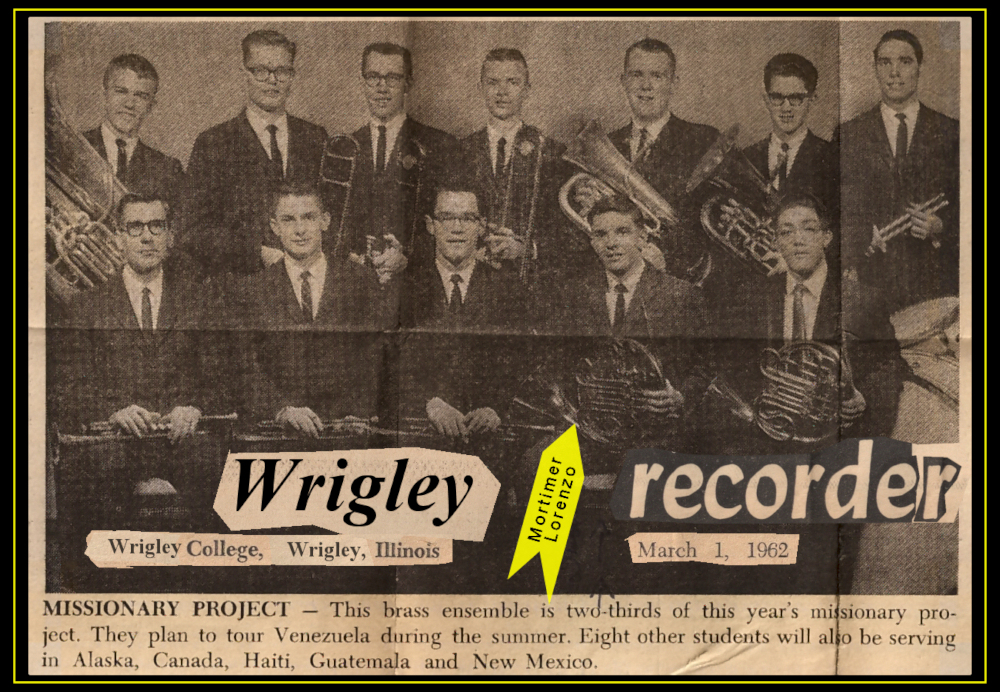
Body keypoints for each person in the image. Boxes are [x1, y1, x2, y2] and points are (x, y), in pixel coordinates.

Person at [237, 182, 390, 440]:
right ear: (274, 227)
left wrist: (358, 410)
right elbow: (246, 366)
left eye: (308, 217)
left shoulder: (360, 280)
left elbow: (376, 355)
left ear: (325, 221)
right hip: (281, 435)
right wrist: (281, 410)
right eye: (288, 220)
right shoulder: (254, 289)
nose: (299, 230)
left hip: (349, 432)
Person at [182, 30, 328, 277]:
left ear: (292, 76)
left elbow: (331, 216)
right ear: (244, 74)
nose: (272, 81)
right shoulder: (213, 143)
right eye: (260, 71)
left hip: (308, 285)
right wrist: (256, 253)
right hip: (240, 291)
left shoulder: (316, 138)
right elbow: (192, 232)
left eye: (282, 71)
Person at [838, 29, 959, 313]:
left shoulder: (952, 131)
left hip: (936, 281)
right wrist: (860, 237)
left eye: (905, 61)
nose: (894, 72)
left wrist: (939, 226)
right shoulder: (849, 135)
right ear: (875, 69)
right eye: (885, 62)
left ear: (920, 67)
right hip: (871, 284)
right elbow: (836, 210)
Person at [398, 185, 526, 440]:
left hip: (490, 438)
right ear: (430, 225)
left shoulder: (510, 291)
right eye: (446, 217)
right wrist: (430, 403)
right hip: (420, 433)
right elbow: (386, 365)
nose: (457, 228)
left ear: (481, 227)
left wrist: (496, 408)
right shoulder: (402, 288)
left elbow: (522, 364)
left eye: (467, 218)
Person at [338, 42, 460, 284]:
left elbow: (454, 224)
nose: (382, 88)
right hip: (355, 284)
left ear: (408, 83)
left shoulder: (440, 144)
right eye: (373, 77)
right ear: (362, 82)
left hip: (418, 283)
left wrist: (409, 259)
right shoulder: (344, 147)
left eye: (393, 78)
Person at [459, 48, 584, 279]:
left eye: (513, 82)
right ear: (480, 88)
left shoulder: (553, 153)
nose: (502, 92)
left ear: (527, 90)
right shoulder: (460, 150)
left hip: (531, 285)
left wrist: (527, 249)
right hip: (471, 281)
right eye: (492, 82)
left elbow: (573, 236)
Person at [604, 38, 720, 283]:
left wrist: (668, 260)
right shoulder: (607, 145)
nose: (645, 86)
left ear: (673, 83)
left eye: (657, 76)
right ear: (623, 81)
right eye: (636, 75)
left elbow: (716, 226)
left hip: (678, 283)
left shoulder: (703, 140)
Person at [743, 53, 840, 225]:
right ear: (766, 100)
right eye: (777, 98)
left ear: (812, 99)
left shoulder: (832, 157)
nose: (786, 108)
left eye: (796, 98)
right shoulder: (746, 158)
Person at [83, 54, 184, 203]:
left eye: (141, 96)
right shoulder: (73, 146)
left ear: (151, 105)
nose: (129, 104)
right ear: (104, 94)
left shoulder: (168, 170)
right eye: (121, 91)